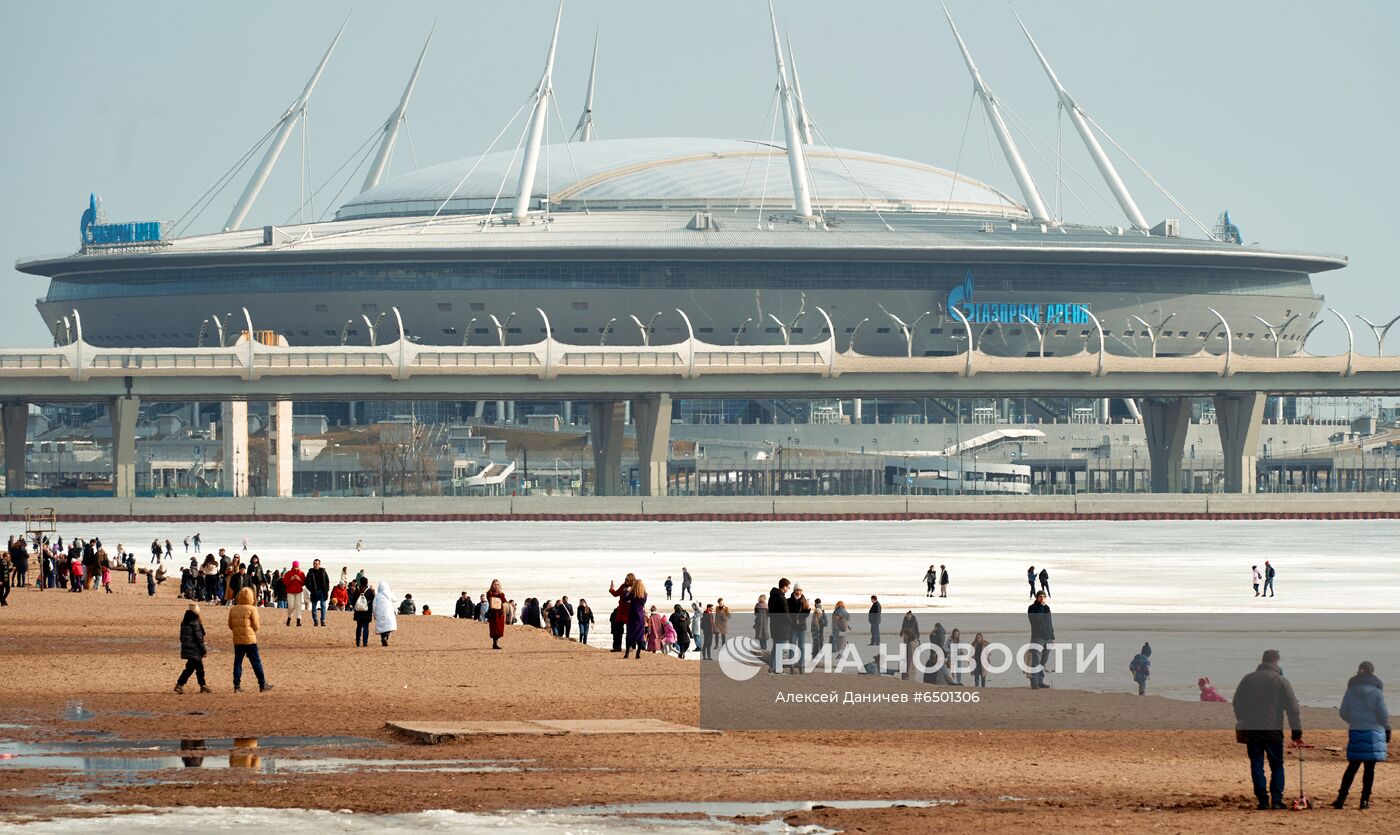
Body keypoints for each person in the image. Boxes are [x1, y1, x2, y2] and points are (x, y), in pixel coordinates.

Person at [1233, 649, 1302, 810]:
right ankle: (1276, 799)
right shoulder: (1280, 680)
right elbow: (1292, 708)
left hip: (1252, 729)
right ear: (1276, 661)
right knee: (1277, 765)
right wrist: (1296, 732)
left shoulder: (1248, 679)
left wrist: (1242, 719)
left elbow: (1237, 703)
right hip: (1273, 730)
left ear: (1262, 661)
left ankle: (1262, 799)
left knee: (1256, 764)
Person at [1332, 661, 1389, 810]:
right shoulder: (1377, 692)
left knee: (1352, 766)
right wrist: (1385, 726)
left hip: (1356, 730)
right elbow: (1383, 715)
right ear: (1372, 672)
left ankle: (1341, 799)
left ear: (1358, 671)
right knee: (1369, 769)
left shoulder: (1350, 690)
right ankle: (1364, 800)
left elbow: (1343, 712)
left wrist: (1354, 721)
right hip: (1373, 732)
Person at [227, 587, 271, 692]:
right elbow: (256, 626)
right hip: (250, 639)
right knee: (256, 662)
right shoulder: (252, 609)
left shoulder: (233, 609)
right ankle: (262, 684)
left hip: (238, 639)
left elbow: (230, 625)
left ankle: (236, 686)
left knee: (238, 662)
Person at [174, 603, 212, 693]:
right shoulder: (195, 622)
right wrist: (204, 650)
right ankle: (181, 684)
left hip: (187, 648)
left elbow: (181, 637)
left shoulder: (184, 622)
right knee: (195, 668)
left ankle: (202, 685)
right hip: (195, 650)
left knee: (193, 668)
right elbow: (199, 638)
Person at [1027, 590, 1054, 689]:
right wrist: (1041, 607)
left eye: (1044, 597)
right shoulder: (1032, 608)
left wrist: (1052, 636)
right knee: (1036, 661)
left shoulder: (1047, 608)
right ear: (1037, 598)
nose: (1042, 599)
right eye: (1040, 597)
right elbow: (1036, 619)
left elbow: (1050, 623)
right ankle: (1034, 682)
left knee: (1043, 662)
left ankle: (1040, 681)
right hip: (1037, 637)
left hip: (1048, 638)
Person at [768, 579, 792, 673]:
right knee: (779, 649)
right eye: (788, 587)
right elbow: (785, 614)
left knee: (775, 648)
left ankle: (771, 667)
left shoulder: (772, 597)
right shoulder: (781, 598)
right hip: (781, 627)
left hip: (774, 625)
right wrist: (791, 622)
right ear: (784, 586)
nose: (788, 589)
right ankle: (777, 670)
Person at [305, 559, 330, 627]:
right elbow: (306, 582)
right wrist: (311, 589)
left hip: (322, 591)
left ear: (319, 564)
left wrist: (326, 590)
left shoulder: (323, 571)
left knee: (323, 605)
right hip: (314, 592)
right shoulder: (310, 572)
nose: (315, 565)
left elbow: (327, 582)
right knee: (314, 606)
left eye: (316, 564)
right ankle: (315, 621)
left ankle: (323, 621)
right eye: (314, 564)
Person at [373, 580, 398, 646]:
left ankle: (383, 638)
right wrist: (392, 591)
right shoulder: (389, 594)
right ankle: (386, 637)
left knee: (382, 628)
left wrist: (374, 615)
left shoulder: (377, 596)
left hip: (380, 614)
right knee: (388, 627)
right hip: (389, 613)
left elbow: (374, 606)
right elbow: (395, 599)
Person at [282, 561, 307, 626]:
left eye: (297, 567)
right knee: (291, 606)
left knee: (298, 606)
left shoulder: (301, 573)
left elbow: (304, 583)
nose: (296, 568)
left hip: (298, 592)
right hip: (290, 592)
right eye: (295, 567)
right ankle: (289, 617)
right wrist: (291, 579)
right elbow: (285, 583)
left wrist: (299, 579)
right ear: (292, 566)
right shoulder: (288, 573)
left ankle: (298, 621)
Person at [352, 579, 375, 648]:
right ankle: (365, 643)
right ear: (367, 583)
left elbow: (353, 601)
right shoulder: (370, 591)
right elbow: (373, 602)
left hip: (358, 612)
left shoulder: (357, 590)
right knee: (365, 627)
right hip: (366, 612)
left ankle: (358, 642)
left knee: (359, 627)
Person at [485, 579, 506, 650]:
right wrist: (496, 593)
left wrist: (499, 593)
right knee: (494, 629)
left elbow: (504, 600)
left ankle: (496, 643)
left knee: (499, 629)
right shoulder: (489, 592)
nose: (496, 586)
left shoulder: (501, 593)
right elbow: (489, 598)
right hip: (493, 613)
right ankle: (495, 643)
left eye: (497, 584)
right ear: (492, 585)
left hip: (500, 613)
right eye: (495, 584)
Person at [899, 611, 920, 681]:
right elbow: (903, 626)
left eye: (909, 616)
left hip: (911, 636)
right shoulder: (905, 619)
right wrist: (901, 633)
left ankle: (908, 676)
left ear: (911, 615)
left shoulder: (914, 620)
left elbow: (916, 629)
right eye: (907, 616)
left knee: (909, 658)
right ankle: (907, 675)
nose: (908, 617)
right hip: (909, 636)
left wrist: (917, 637)